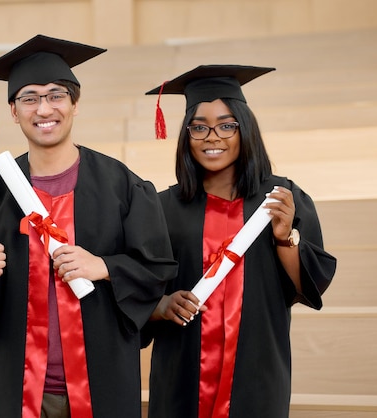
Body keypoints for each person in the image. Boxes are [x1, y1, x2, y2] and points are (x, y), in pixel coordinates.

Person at [0, 34, 178, 418]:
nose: (44, 108)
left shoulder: (124, 187)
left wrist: (105, 267)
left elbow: (158, 270)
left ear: (74, 104)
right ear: (14, 111)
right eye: (29, 98)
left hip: (104, 385)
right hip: (20, 387)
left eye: (55, 95)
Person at [141, 65, 337, 418]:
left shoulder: (280, 198)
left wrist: (284, 237)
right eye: (199, 126)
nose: (212, 136)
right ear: (186, 135)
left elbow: (306, 286)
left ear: (244, 129)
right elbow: (140, 288)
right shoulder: (162, 207)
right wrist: (161, 304)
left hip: (256, 370)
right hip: (182, 372)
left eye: (226, 125)